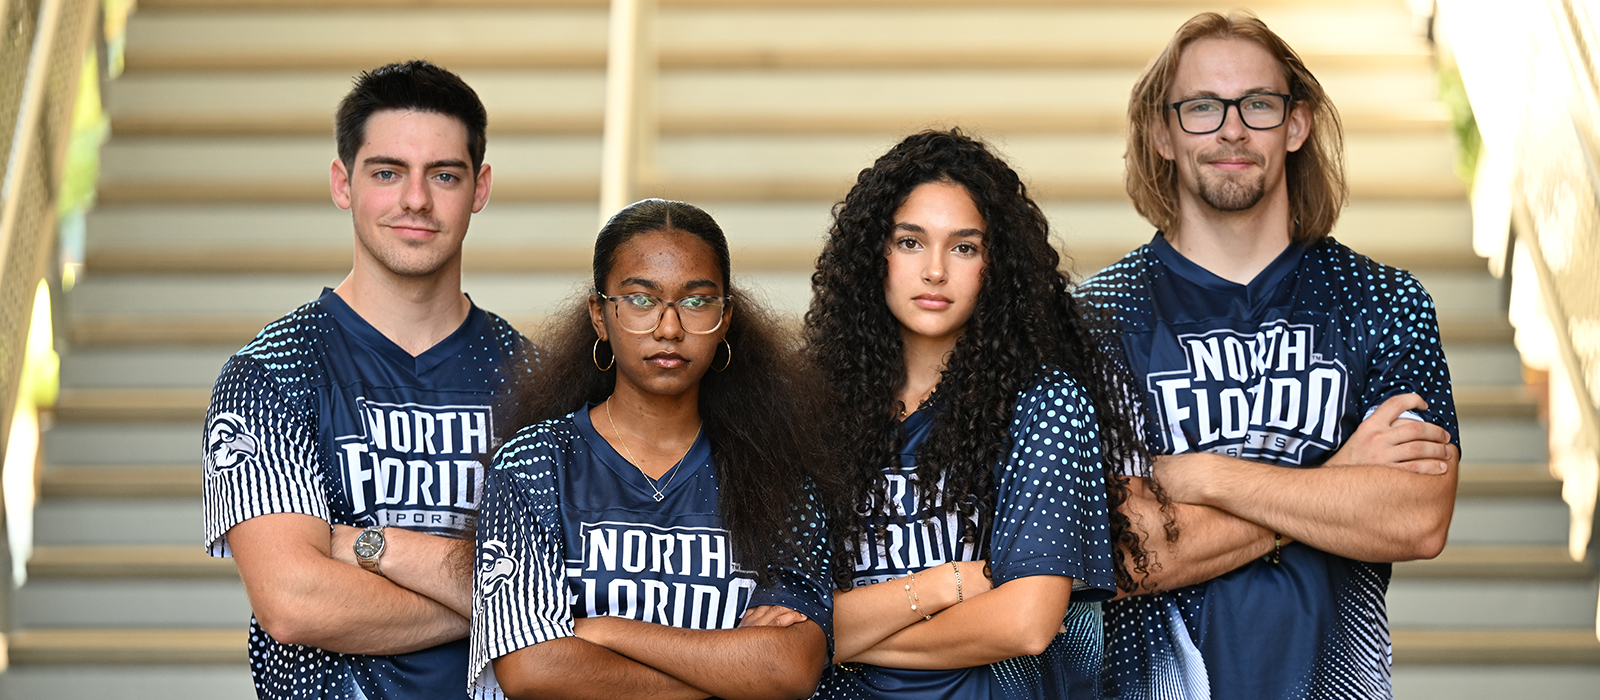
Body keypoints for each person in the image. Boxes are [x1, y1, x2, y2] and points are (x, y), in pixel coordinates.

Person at [1079, 11, 1460, 699]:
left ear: (1296, 125)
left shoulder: (1384, 301)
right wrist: (1335, 480)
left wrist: (1205, 477)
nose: (1231, 128)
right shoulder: (1095, 319)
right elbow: (1115, 555)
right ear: (1161, 133)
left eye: (1257, 104)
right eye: (1201, 107)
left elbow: (1417, 516)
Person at [201, 60, 524, 699]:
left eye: (445, 175)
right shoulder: (270, 374)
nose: (416, 200)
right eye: (387, 173)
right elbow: (293, 602)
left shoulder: (537, 379)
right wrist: (511, 608)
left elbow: (583, 588)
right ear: (342, 183)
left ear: (480, 187)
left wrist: (366, 546)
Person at [804, 129, 1153, 699]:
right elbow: (777, 622)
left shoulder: (1044, 403)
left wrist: (831, 641)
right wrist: (946, 585)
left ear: (996, 265)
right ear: (876, 254)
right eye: (911, 242)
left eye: (964, 246)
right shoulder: (811, 406)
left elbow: (1025, 623)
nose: (935, 270)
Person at [469, 198, 833, 700]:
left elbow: (788, 670)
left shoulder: (777, 475)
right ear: (600, 314)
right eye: (641, 300)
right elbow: (534, 670)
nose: (668, 328)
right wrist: (729, 668)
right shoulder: (536, 463)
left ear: (725, 317)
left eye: (696, 301)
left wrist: (606, 631)